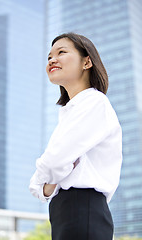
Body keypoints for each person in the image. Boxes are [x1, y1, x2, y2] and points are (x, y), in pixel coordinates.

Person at [29, 32, 122, 240]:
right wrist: (47, 183)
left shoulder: (94, 103)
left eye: (61, 52)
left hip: (83, 210)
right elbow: (40, 185)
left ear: (86, 61)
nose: (52, 59)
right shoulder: (72, 111)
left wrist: (46, 181)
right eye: (49, 56)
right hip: (67, 212)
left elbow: (52, 162)